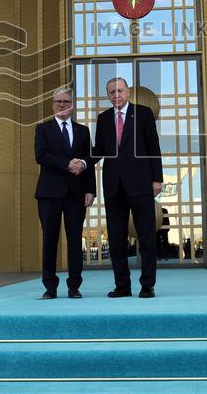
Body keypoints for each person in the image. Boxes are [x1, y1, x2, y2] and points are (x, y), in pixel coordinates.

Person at [91, 77, 163, 298]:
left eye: (120, 91)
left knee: (147, 237)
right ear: (108, 95)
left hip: (141, 184)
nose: (116, 95)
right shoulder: (103, 119)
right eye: (112, 92)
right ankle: (122, 286)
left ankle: (147, 285)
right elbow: (99, 149)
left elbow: (153, 147)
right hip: (114, 186)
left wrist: (157, 179)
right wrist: (81, 161)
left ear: (128, 92)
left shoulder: (143, 114)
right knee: (116, 239)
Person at [33, 88, 95, 299]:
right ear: (53, 105)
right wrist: (67, 163)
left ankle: (74, 286)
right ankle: (50, 287)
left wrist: (90, 189)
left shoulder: (83, 131)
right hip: (49, 193)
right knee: (50, 240)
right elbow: (41, 156)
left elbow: (89, 160)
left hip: (76, 194)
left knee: (75, 241)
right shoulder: (43, 129)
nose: (62, 104)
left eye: (66, 101)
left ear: (72, 105)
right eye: (58, 101)